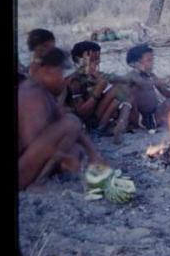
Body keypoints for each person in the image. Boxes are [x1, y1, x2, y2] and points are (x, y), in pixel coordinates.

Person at [18, 47, 106, 190]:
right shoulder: (31, 95)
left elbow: (65, 126)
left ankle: (53, 171)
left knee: (77, 147)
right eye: (60, 74)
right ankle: (39, 181)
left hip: (33, 159)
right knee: (71, 123)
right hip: (22, 172)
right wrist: (63, 157)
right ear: (46, 71)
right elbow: (33, 144)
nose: (63, 80)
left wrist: (93, 155)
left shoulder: (43, 91)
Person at [65, 41, 135, 144]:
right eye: (92, 60)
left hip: (97, 116)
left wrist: (130, 78)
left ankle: (121, 125)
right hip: (85, 121)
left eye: (98, 59)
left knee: (123, 91)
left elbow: (120, 79)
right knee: (117, 91)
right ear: (78, 60)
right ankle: (98, 130)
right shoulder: (75, 81)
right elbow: (82, 113)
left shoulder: (95, 76)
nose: (96, 63)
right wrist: (98, 90)